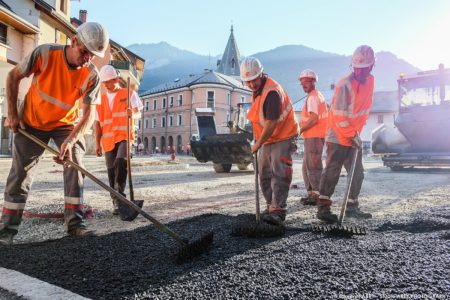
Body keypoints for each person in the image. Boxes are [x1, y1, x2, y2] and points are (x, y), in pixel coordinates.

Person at [0, 22, 109, 245]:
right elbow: (13, 77)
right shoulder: (45, 53)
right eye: (84, 51)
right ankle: (6, 232)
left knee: (75, 163)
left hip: (64, 126)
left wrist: (70, 141)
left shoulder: (92, 76)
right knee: (19, 175)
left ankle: (75, 225)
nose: (87, 58)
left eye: (92, 55)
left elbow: (88, 115)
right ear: (74, 41)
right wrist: (12, 114)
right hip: (31, 121)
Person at [316, 45, 375, 223]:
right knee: (332, 171)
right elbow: (340, 115)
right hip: (337, 133)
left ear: (371, 67)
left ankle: (352, 207)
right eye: (355, 68)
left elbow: (363, 110)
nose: (359, 72)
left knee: (357, 172)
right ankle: (323, 208)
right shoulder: (344, 84)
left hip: (353, 134)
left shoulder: (370, 81)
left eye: (363, 69)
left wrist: (356, 134)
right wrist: (351, 134)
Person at [241, 57, 299, 226]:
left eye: (254, 80)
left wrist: (257, 144)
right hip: (268, 137)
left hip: (283, 135)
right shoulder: (257, 91)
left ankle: (278, 210)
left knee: (279, 172)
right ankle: (270, 206)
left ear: (262, 74)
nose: (251, 85)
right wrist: (258, 140)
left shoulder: (272, 92)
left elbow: (272, 123)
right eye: (248, 82)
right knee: (264, 172)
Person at [94, 65, 143, 215]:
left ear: (115, 79)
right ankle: (116, 203)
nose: (105, 85)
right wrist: (97, 143)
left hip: (124, 136)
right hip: (108, 141)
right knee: (111, 172)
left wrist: (131, 115)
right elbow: (97, 123)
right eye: (103, 83)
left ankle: (120, 197)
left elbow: (138, 114)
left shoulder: (129, 93)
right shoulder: (100, 100)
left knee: (120, 162)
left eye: (108, 82)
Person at [298, 69, 328, 206]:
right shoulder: (316, 95)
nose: (303, 84)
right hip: (313, 136)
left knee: (313, 166)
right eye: (302, 82)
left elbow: (314, 118)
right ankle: (311, 193)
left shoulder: (313, 97)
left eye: (306, 82)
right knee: (306, 167)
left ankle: (316, 195)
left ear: (313, 82)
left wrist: (300, 129)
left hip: (314, 136)